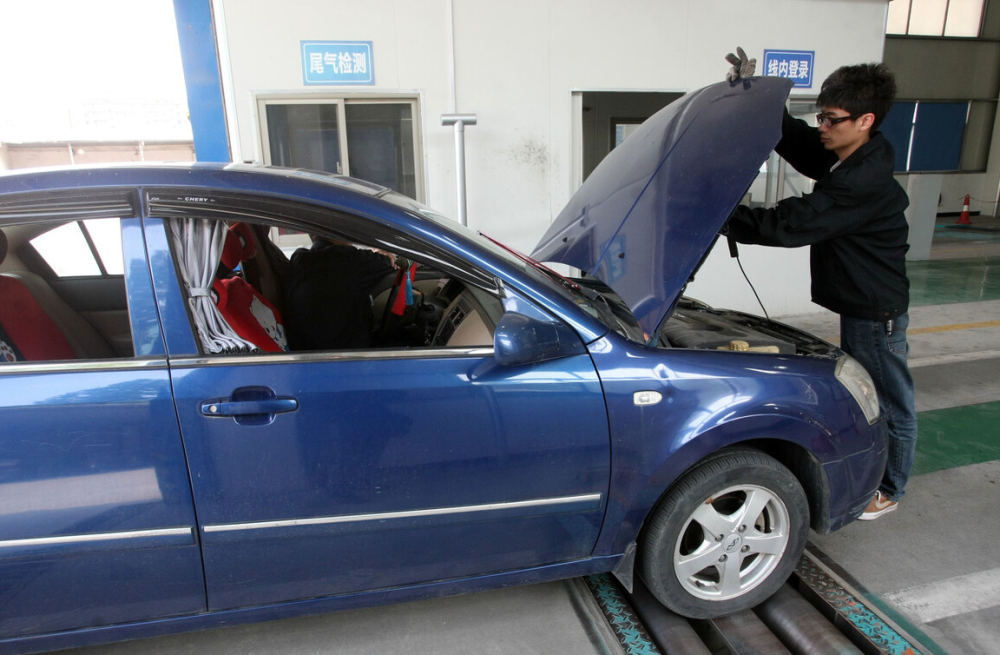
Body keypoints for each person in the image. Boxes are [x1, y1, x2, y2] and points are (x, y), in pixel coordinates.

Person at [723, 53, 917, 521]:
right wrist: (755, 94)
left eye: (832, 120)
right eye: (821, 117)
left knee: (889, 403)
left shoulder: (861, 181)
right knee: (872, 395)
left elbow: (792, 224)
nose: (822, 127)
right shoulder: (849, 154)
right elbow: (798, 140)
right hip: (862, 304)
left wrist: (720, 216)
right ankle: (883, 476)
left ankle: (890, 488)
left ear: (865, 120)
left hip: (876, 311)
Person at [282, 235, 396, 351]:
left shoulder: (299, 258)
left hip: (306, 349)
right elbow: (391, 262)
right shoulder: (344, 258)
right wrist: (380, 252)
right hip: (345, 352)